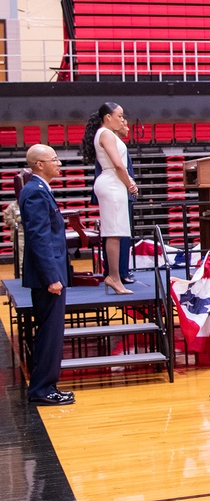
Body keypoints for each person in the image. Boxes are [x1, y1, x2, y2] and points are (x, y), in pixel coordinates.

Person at [20, 145, 75, 406]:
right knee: (50, 332)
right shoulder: (35, 192)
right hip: (47, 276)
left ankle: (47, 385)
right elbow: (39, 238)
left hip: (50, 273)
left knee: (52, 331)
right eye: (54, 160)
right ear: (39, 164)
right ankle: (42, 388)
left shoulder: (40, 190)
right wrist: (53, 276)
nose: (59, 164)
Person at [80, 102, 137, 295]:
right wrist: (130, 183)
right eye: (119, 116)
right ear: (108, 117)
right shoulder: (105, 134)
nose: (122, 119)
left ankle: (115, 276)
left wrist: (128, 182)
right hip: (112, 182)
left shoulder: (106, 134)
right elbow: (118, 164)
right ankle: (114, 276)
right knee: (113, 232)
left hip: (114, 182)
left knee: (117, 231)